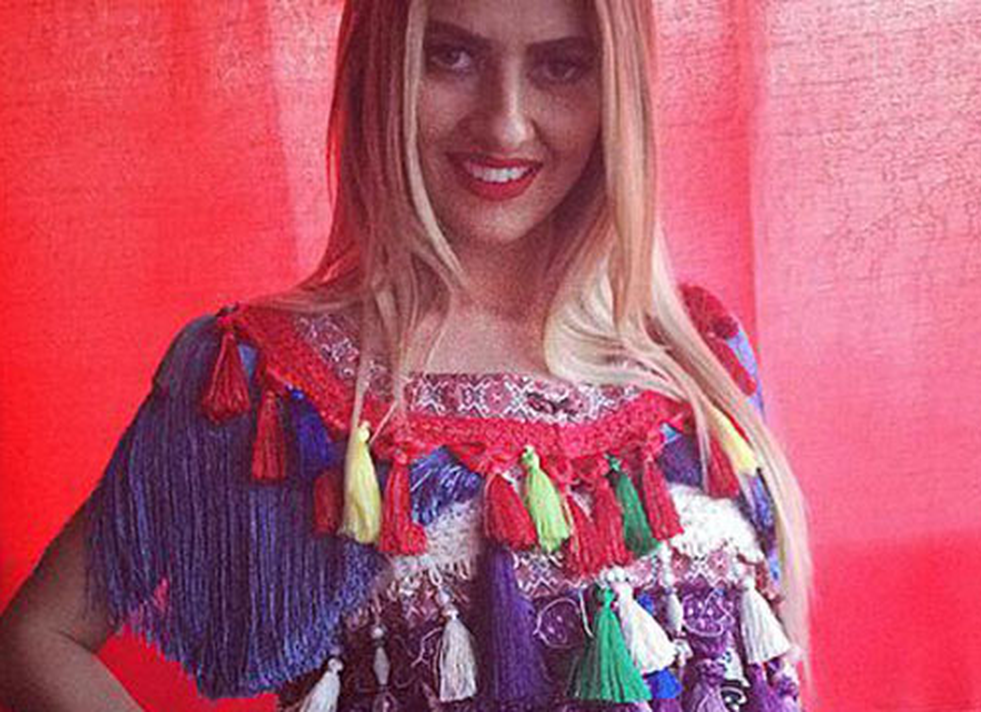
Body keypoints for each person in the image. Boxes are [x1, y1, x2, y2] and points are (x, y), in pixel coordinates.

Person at [0, 1, 812, 710]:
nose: (505, 123)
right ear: (379, 69)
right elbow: (36, 640)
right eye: (451, 55)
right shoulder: (272, 381)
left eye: (561, 66)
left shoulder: (697, 362)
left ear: (618, 93)